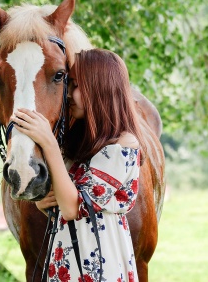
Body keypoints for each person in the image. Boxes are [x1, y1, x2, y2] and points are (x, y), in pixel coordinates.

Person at [11, 49, 145, 282]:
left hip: (100, 266)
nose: (69, 95)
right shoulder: (79, 147)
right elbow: (63, 203)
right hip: (66, 262)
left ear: (100, 88)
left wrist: (49, 143)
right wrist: (46, 203)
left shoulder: (123, 146)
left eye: (75, 85)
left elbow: (73, 207)